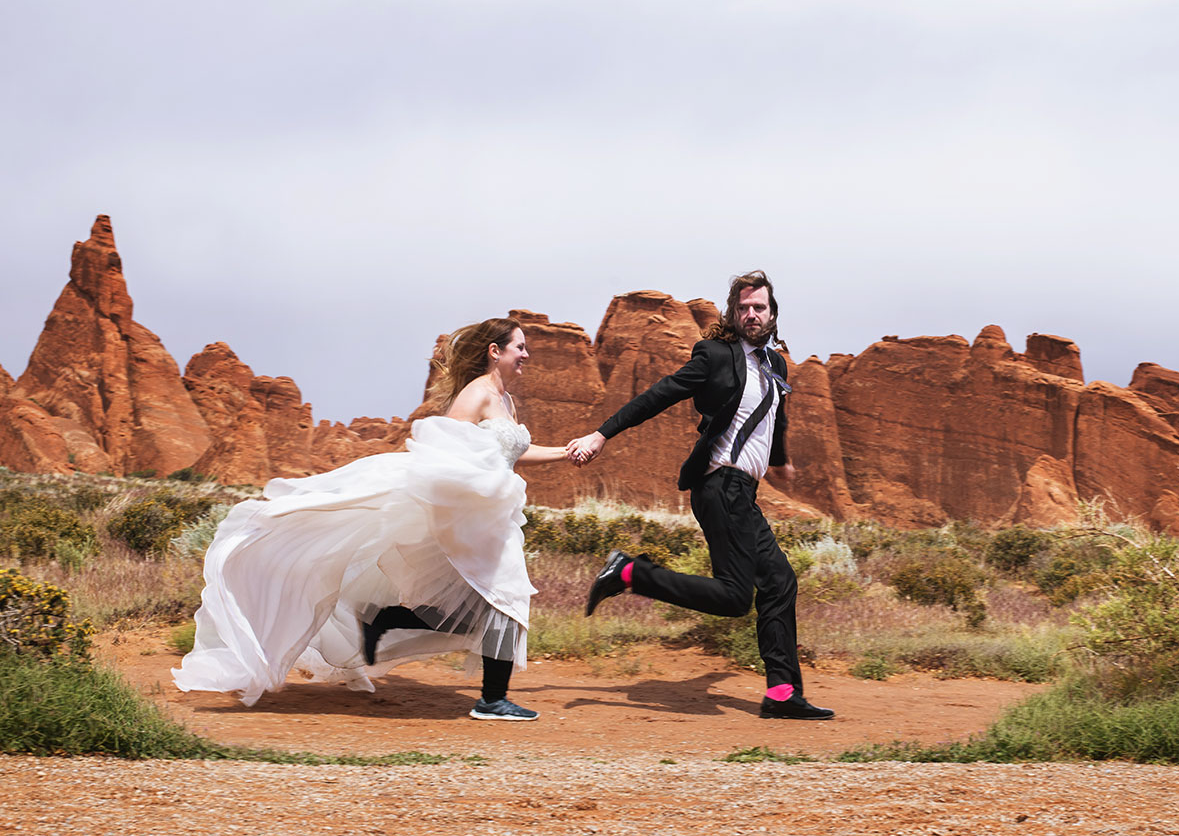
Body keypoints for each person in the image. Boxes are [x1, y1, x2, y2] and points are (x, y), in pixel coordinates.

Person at [173, 317, 569, 720]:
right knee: (505, 599)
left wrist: (565, 453)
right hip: (472, 516)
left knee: (483, 605)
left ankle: (384, 619)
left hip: (496, 517)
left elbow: (513, 450)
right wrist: (477, 487)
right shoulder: (477, 393)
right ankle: (492, 700)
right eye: (519, 346)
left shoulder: (504, 400)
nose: (526, 354)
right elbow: (444, 448)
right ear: (495, 351)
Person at [566, 270, 833, 720]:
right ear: (733, 313)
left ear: (772, 313)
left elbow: (776, 417)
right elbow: (659, 395)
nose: (751, 314)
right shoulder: (715, 355)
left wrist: (781, 461)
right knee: (734, 597)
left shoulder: (776, 365)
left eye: (759, 308)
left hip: (743, 493)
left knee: (780, 582)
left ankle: (783, 694)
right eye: (744, 308)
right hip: (718, 485)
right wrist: (601, 434)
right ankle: (630, 573)